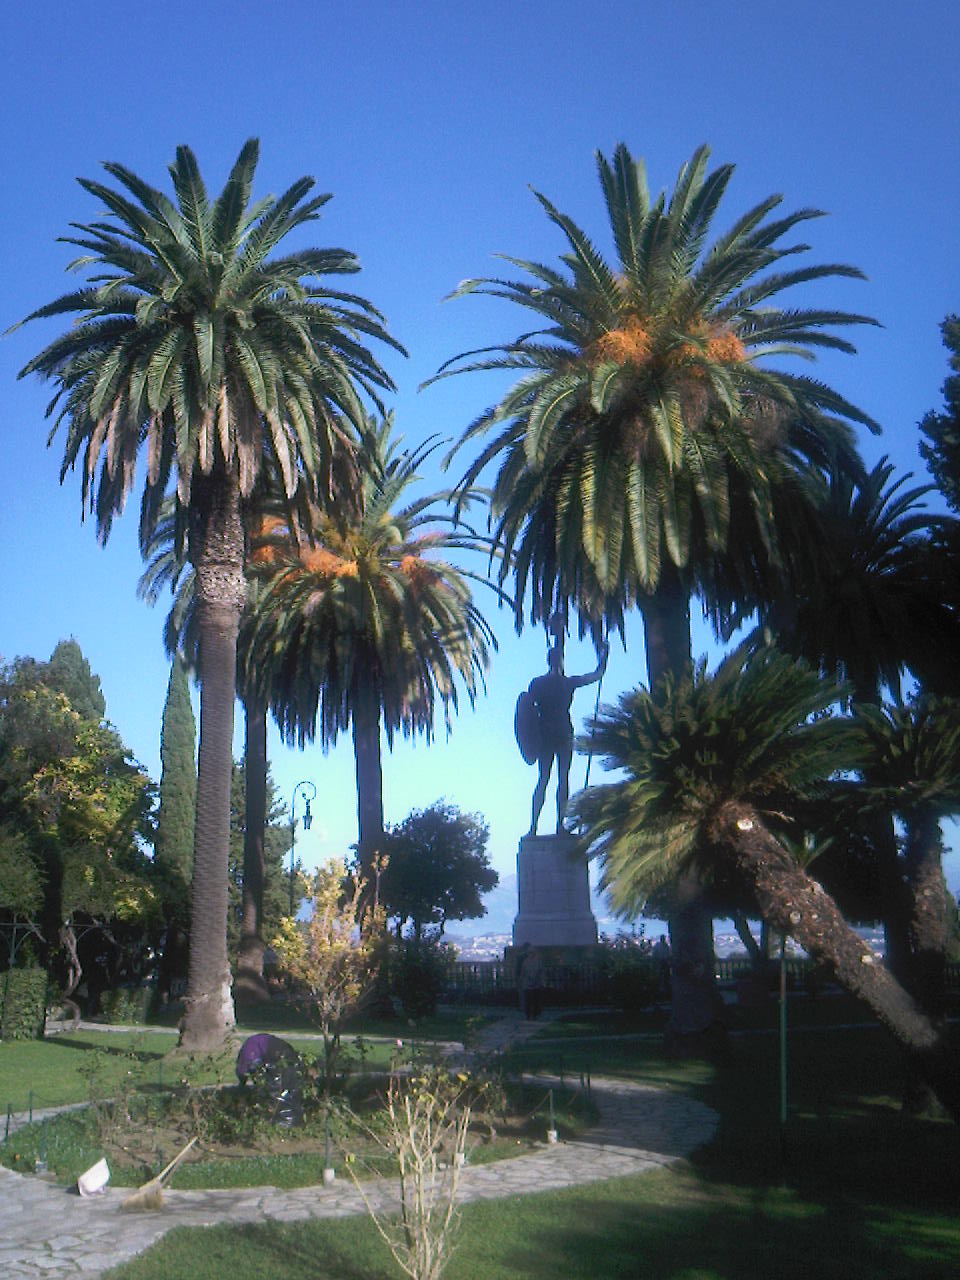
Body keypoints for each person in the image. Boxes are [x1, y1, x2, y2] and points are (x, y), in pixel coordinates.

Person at [527, 639, 609, 835]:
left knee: (554, 779)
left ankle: (549, 826)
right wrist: (604, 656)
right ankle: (540, 827)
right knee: (551, 779)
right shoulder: (560, 683)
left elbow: (596, 675)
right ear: (557, 661)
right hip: (555, 733)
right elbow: (527, 712)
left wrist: (604, 657)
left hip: (558, 734)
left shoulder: (549, 683)